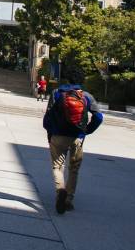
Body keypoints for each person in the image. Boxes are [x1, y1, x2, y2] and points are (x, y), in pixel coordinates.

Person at [43, 83, 103, 214]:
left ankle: (60, 191)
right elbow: (98, 117)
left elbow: (48, 116)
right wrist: (87, 130)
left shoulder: (56, 93)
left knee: (57, 166)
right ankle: (68, 200)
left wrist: (50, 132)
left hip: (58, 135)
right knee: (74, 168)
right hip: (77, 137)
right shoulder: (86, 96)